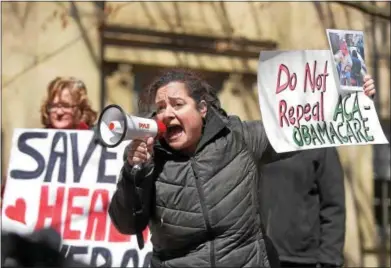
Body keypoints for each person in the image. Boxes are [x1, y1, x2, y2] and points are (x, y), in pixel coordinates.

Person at [108, 69, 376, 268]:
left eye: (178, 105)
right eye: (160, 108)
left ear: (202, 109)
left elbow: (303, 129)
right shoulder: (147, 160)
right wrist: (135, 173)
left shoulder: (240, 138)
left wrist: (352, 101)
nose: (167, 114)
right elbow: (126, 224)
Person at [260, 75, 376, 268]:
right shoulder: (262, 138)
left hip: (303, 260)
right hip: (261, 256)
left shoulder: (320, 144)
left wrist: (329, 259)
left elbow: (334, 205)